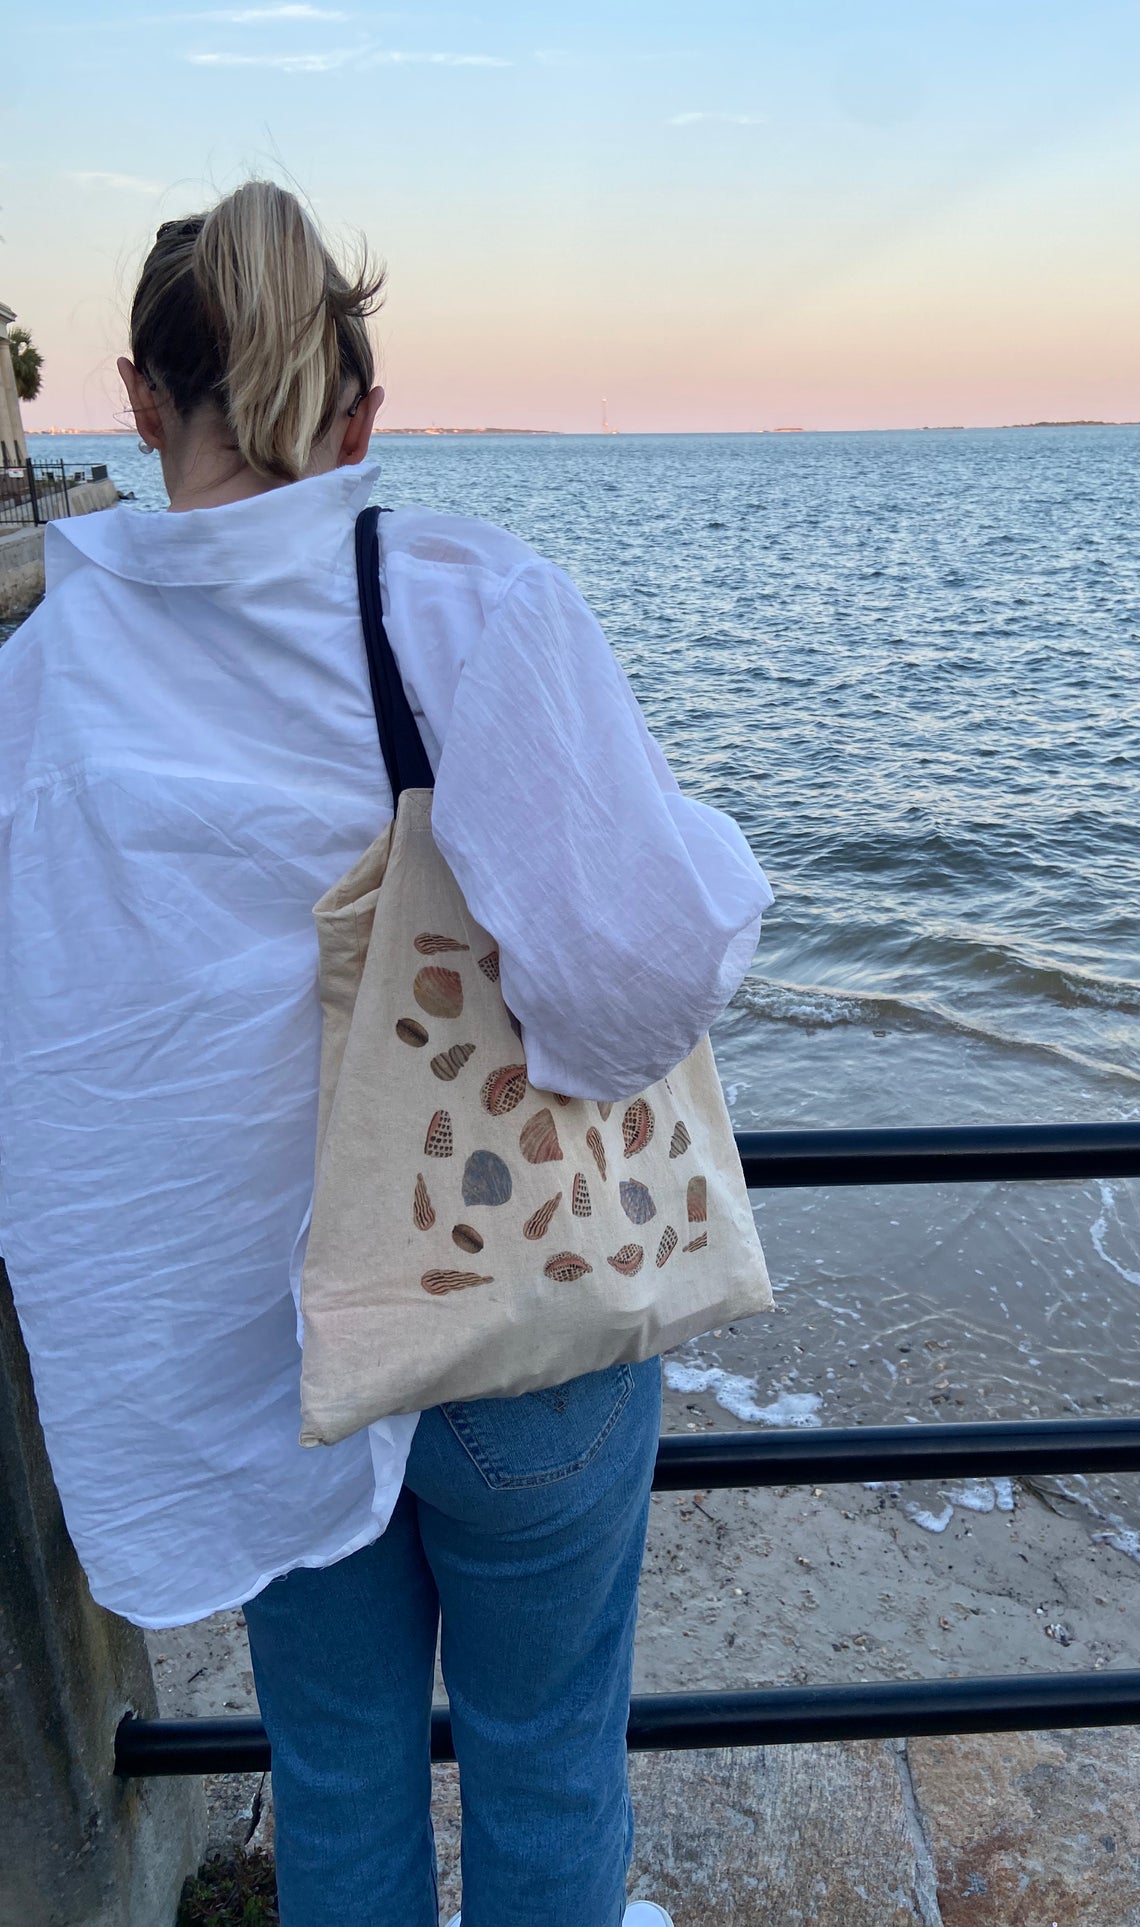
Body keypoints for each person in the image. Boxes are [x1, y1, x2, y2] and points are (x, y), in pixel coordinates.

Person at [0, 181, 772, 1927]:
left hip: (263, 1354)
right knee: (546, 1754)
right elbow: (634, 976)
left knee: (338, 1785)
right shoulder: (458, 605)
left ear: (134, 398)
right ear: (364, 409)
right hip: (507, 1312)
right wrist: (710, 855)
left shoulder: (42, 683)